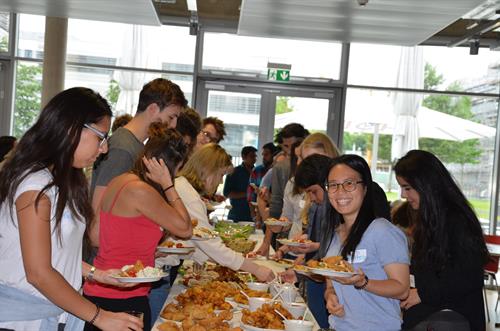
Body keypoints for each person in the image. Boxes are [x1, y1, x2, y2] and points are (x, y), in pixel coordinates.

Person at [0, 87, 143, 331]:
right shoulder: (35, 185)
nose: (104, 149)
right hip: (24, 320)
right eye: (101, 137)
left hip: (53, 312)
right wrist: (99, 316)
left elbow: (54, 250)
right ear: (71, 128)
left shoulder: (61, 180)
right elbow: (38, 272)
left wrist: (96, 273)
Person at [89, 78, 187, 324]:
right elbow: (96, 229)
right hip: (115, 282)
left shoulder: (132, 152)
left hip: (114, 281)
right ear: (153, 109)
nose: (173, 124)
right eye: (172, 116)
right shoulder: (123, 150)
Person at [394, 150, 489, 331]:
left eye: (407, 188)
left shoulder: (457, 220)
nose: (403, 195)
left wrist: (422, 294)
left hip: (451, 318)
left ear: (425, 185)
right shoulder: (431, 217)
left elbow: (469, 277)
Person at [322, 154, 410, 331]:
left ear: (365, 188)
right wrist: (330, 296)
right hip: (338, 326)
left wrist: (363, 283)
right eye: (333, 185)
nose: (340, 192)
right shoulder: (335, 234)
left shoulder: (382, 231)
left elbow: (402, 289)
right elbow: (331, 284)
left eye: (349, 183)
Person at [174, 143, 275, 282]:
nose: (221, 181)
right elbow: (208, 243)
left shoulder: (184, 187)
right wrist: (255, 269)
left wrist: (232, 261)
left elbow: (197, 245)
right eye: (221, 174)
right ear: (207, 169)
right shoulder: (189, 196)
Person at [223, 146, 257, 222]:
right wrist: (248, 194)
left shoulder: (258, 172)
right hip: (237, 214)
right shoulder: (234, 172)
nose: (254, 159)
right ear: (243, 157)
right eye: (251, 156)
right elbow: (227, 193)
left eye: (255, 156)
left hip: (254, 215)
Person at [247, 142, 277, 223]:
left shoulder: (279, 172)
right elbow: (250, 196)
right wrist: (254, 217)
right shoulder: (257, 170)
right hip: (259, 214)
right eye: (263, 155)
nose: (263, 157)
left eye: (266, 155)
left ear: (274, 155)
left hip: (276, 213)